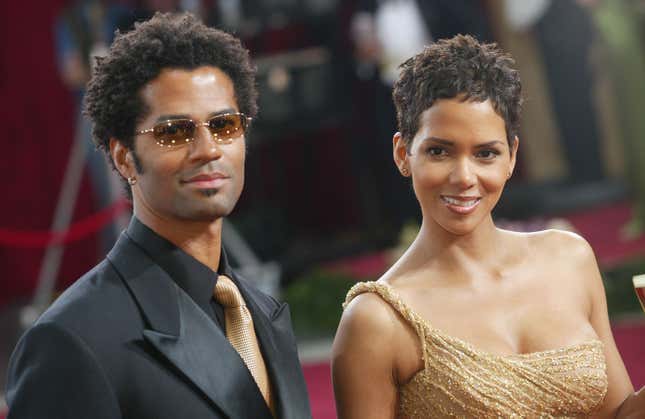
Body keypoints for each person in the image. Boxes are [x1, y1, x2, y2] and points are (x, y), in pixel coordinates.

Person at [6, 13, 311, 419]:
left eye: (224, 125)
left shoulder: (264, 314)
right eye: (175, 132)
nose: (208, 149)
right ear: (124, 157)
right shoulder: (72, 340)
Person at [332, 34, 645, 417]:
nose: (464, 177)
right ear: (403, 154)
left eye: (485, 153)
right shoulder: (376, 321)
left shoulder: (570, 259)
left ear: (511, 156)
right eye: (439, 151)